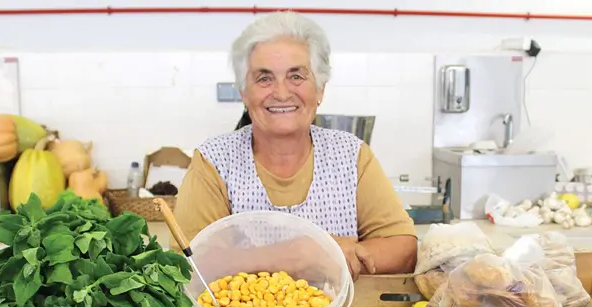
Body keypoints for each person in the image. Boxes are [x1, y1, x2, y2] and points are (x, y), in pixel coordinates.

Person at [174, 11, 417, 279]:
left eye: (296, 76)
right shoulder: (214, 162)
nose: (281, 93)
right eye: (264, 78)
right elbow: (187, 262)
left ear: (320, 89)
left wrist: (327, 256)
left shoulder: (352, 155)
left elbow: (403, 248)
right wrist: (301, 254)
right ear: (244, 93)